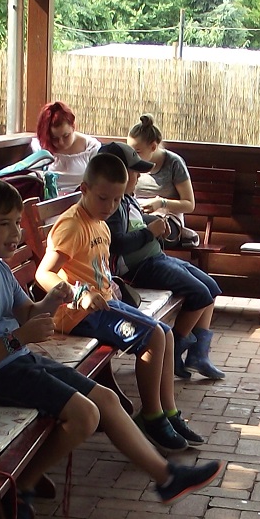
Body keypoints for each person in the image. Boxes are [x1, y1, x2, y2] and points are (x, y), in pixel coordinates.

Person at [0, 175, 221, 507]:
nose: (15, 232)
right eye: (4, 224)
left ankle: (167, 479)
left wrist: (51, 300)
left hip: (14, 362)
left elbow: (26, 312)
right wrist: (19, 339)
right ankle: (22, 487)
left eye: (17, 222)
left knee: (106, 399)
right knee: (85, 416)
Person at [39, 151, 205, 454]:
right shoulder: (72, 226)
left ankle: (169, 412)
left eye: (117, 200)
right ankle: (151, 416)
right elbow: (44, 273)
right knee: (153, 336)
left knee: (165, 334)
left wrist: (111, 287)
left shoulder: (100, 223)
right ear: (84, 189)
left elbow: (98, 268)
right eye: (103, 198)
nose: (110, 206)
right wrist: (80, 294)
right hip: (77, 315)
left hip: (103, 305)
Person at [100, 139, 226, 382]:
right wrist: (150, 232)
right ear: (119, 173)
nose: (139, 176)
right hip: (138, 269)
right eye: (135, 171)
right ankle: (174, 350)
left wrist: (156, 224)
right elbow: (117, 243)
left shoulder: (127, 199)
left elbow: (136, 223)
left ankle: (198, 355)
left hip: (155, 257)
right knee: (200, 294)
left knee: (211, 287)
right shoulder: (113, 205)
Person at [34, 101, 98, 195]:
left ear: (73, 126)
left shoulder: (91, 147)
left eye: (66, 136)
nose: (61, 142)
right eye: (54, 138)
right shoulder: (40, 147)